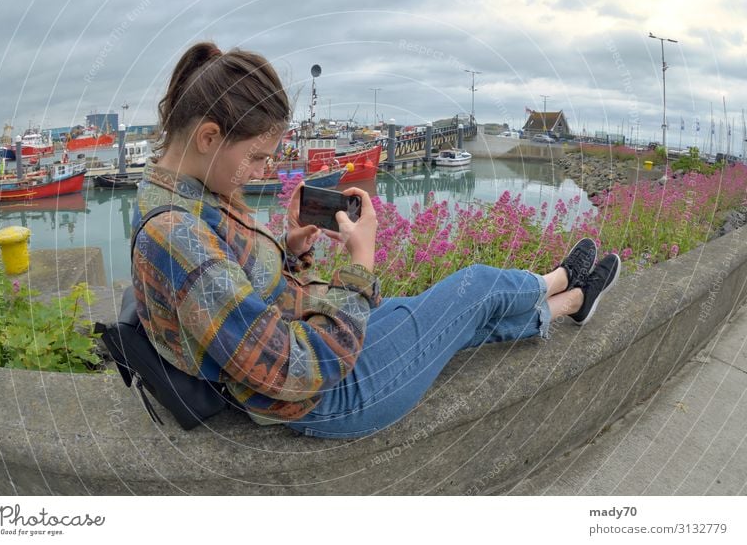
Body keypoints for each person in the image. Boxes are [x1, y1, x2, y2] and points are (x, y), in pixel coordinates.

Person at [131, 41, 621, 438]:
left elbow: (251, 299)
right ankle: (556, 278)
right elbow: (293, 369)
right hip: (328, 394)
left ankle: (572, 299)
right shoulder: (176, 236)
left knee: (456, 324)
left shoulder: (196, 196)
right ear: (209, 137)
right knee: (471, 288)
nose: (265, 170)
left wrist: (294, 250)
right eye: (259, 157)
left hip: (322, 349)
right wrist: (359, 264)